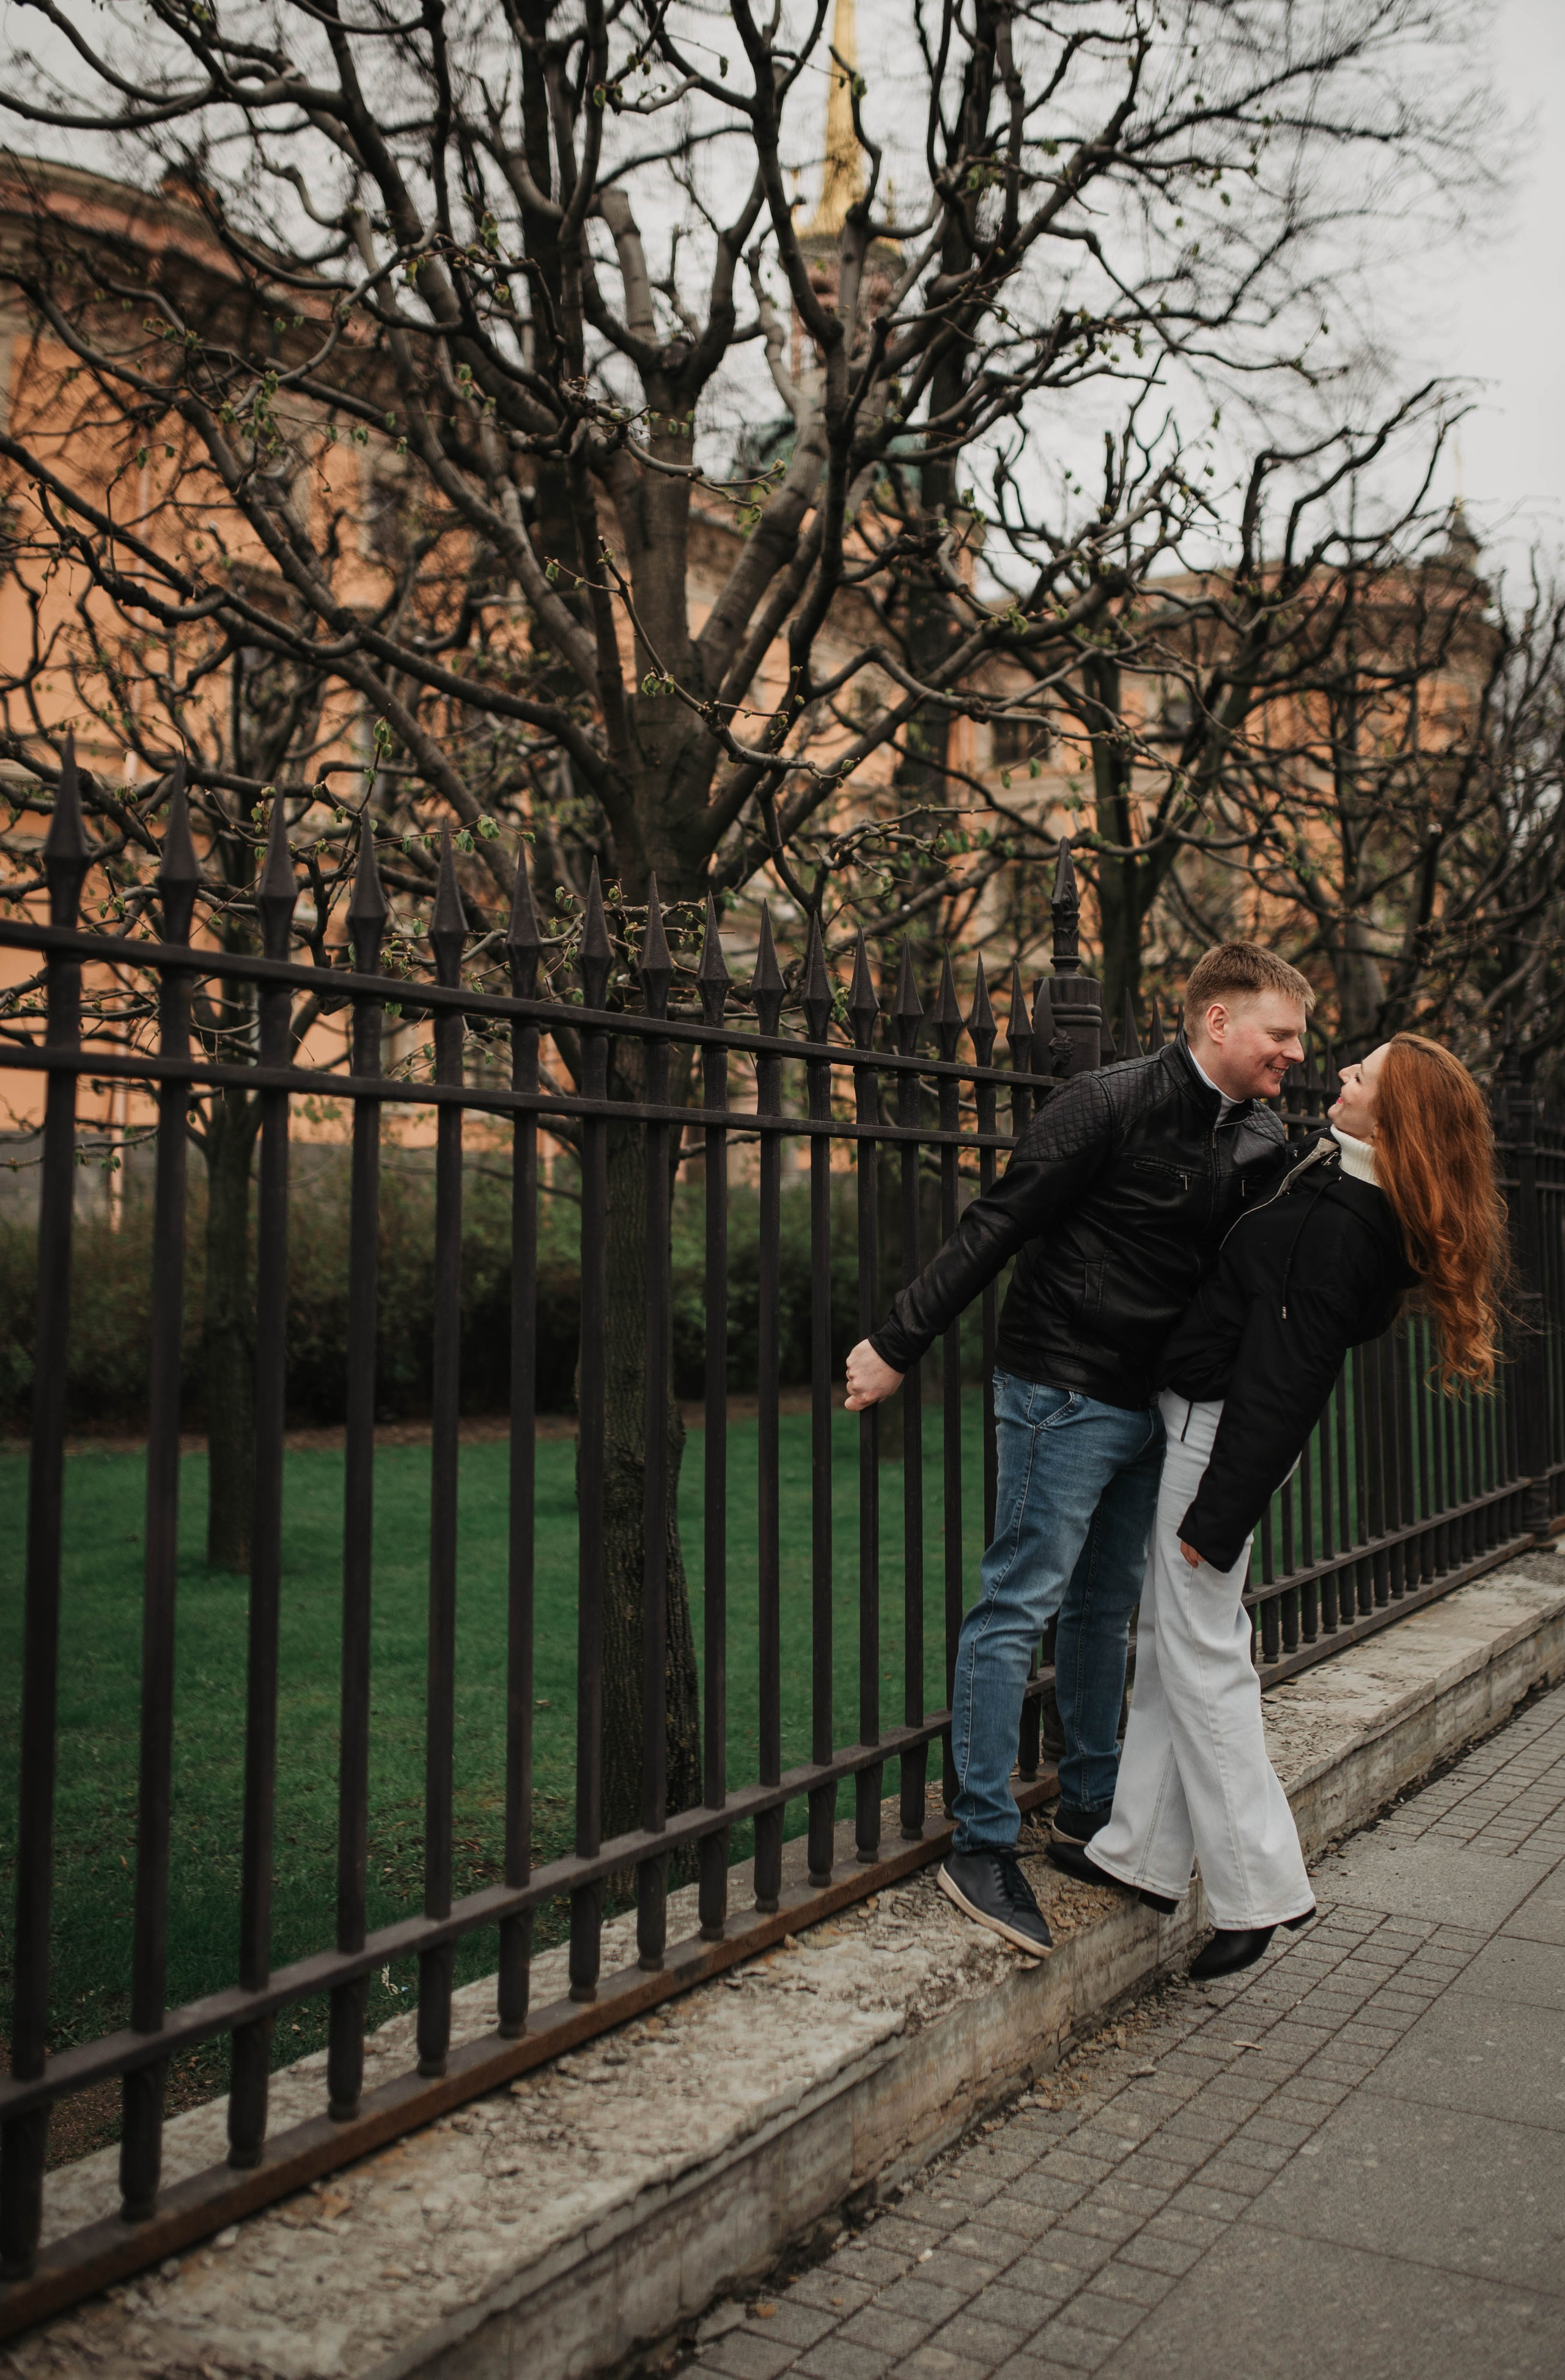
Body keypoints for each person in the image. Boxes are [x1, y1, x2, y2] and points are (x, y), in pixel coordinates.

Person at [844, 944, 1310, 1958]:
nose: (1296, 1054)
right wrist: (894, 1342)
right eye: (1281, 1033)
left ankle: (1090, 1811)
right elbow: (997, 1224)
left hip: (1157, 1403)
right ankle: (981, 1839)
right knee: (1020, 1600)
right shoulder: (1105, 1102)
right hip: (1060, 1385)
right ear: (1219, 1021)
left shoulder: (1262, 1135)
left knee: (1107, 1611)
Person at [1047, 1033, 1509, 1980]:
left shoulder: (1346, 1220)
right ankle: (1139, 1851)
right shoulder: (1353, 1190)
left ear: (1396, 1114)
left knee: (1202, 1654)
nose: (1338, 1073)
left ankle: (1260, 1891)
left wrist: (1213, 1522)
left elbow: (1284, 1383)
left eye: (1363, 1075)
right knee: (1173, 1644)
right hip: (1217, 1431)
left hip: (1216, 1438)